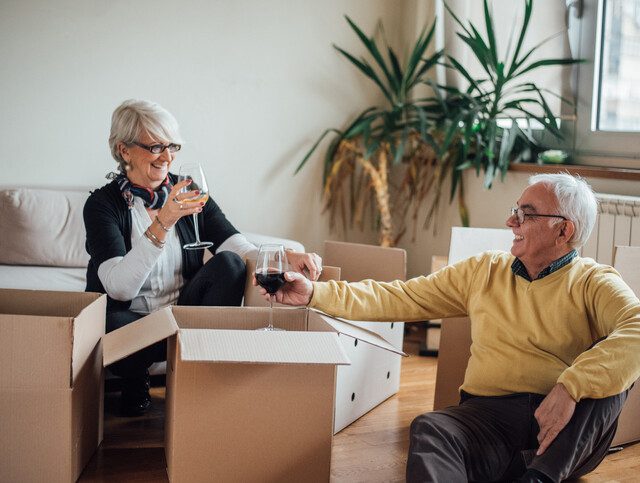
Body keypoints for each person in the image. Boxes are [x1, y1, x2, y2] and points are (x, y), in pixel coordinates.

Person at [258, 173, 640, 482]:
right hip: (488, 420)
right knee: (431, 428)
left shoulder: (593, 281)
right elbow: (401, 297)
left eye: (526, 214)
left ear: (564, 231)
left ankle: (541, 477)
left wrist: (572, 386)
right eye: (514, 211)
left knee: (612, 380)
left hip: (563, 432)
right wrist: (314, 293)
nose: (511, 222)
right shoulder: (484, 270)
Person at [85, 99, 322, 416]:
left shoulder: (187, 191)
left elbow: (233, 242)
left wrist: (284, 258)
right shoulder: (103, 205)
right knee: (112, 322)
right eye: (156, 147)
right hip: (131, 324)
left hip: (184, 314)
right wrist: (164, 221)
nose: (168, 158)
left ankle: (195, 371)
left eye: (173, 147)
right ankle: (135, 378)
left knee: (230, 265)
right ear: (124, 150)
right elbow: (119, 290)